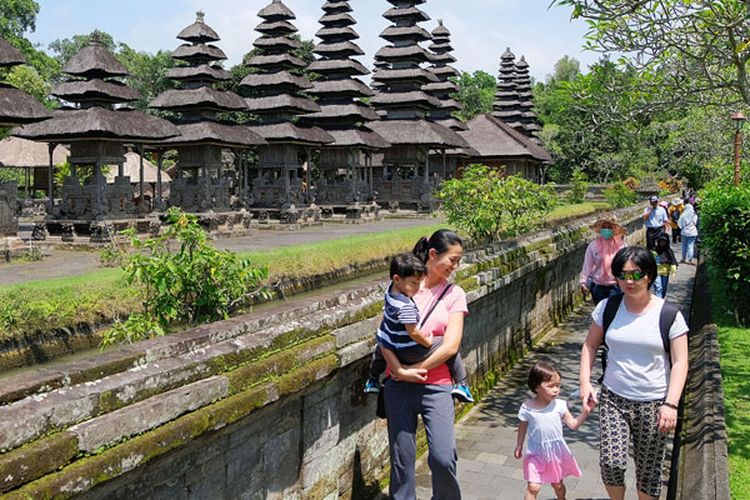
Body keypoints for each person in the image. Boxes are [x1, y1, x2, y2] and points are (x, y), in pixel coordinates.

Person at [579, 246, 689, 500]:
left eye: (636, 274)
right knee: (611, 463)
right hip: (614, 398)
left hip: (654, 402)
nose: (629, 281)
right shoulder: (607, 308)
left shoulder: (669, 315)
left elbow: (681, 362)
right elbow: (590, 345)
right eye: (622, 274)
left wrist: (671, 404)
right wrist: (585, 382)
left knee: (649, 471)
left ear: (649, 275)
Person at [381, 229, 469, 500]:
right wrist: (398, 370)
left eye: (458, 261)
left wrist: (415, 371)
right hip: (398, 383)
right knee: (402, 460)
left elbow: (451, 345)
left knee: (443, 458)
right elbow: (384, 335)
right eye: (452, 260)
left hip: (437, 385)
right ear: (433, 254)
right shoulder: (404, 288)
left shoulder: (454, 294)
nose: (455, 266)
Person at [363, 252, 474, 403]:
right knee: (447, 346)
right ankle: (462, 383)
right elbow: (413, 332)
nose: (417, 288)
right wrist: (427, 341)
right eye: (414, 283)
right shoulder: (406, 306)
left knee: (379, 351)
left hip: (391, 344)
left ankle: (373, 379)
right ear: (397, 279)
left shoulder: (390, 293)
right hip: (411, 350)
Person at [515, 361, 595, 500]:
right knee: (533, 486)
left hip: (556, 452)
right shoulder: (527, 407)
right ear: (536, 387)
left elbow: (573, 424)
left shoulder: (560, 405)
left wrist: (585, 412)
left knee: (557, 484)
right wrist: (519, 444)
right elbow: (522, 425)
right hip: (535, 451)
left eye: (558, 385)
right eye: (551, 386)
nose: (556, 389)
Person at [580, 215, 627, 304]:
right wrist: (583, 282)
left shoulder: (621, 246)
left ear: (614, 229)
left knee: (613, 311)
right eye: (604, 227)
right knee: (600, 313)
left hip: (616, 285)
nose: (606, 229)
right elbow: (587, 265)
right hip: (598, 286)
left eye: (609, 227)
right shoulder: (593, 246)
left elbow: (626, 264)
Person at [652, 234, 678, 298]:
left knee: (664, 288)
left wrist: (673, 271)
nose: (662, 243)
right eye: (661, 241)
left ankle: (661, 298)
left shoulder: (669, 251)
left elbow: (673, 261)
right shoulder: (654, 250)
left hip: (665, 273)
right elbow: (650, 260)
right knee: (658, 287)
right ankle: (658, 300)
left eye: (664, 241)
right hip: (656, 272)